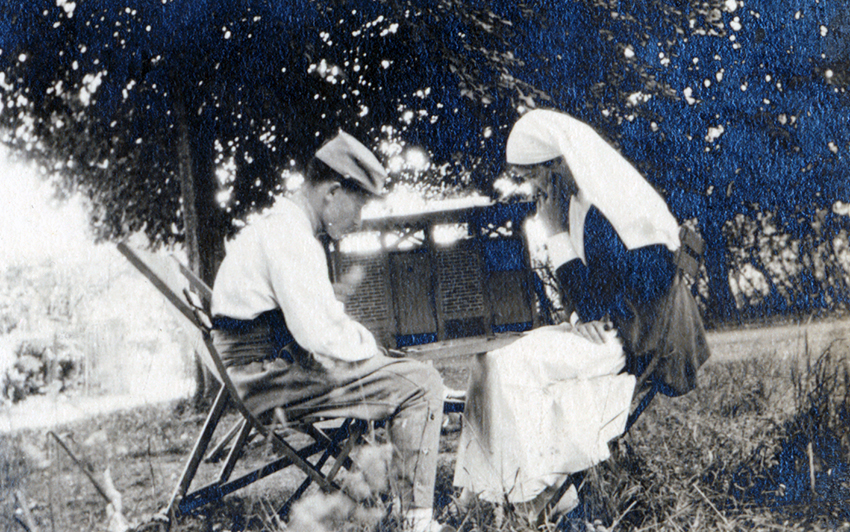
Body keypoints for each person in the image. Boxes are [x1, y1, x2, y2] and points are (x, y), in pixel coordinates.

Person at [453, 109, 709, 517]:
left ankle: (533, 496)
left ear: (559, 164)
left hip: (636, 340)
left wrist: (555, 234)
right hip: (613, 327)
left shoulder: (610, 207)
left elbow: (621, 293)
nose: (533, 188)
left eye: (534, 176)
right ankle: (485, 491)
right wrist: (580, 315)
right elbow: (585, 301)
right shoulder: (579, 203)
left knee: (507, 367)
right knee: (491, 361)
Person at [210, 131, 452, 532]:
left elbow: (314, 324)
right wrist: (370, 348)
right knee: (422, 383)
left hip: (258, 372)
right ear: (333, 192)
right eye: (359, 205)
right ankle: (417, 521)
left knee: (399, 370)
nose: (358, 221)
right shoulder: (292, 238)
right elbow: (319, 335)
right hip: (268, 377)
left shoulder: (277, 227)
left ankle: (398, 498)